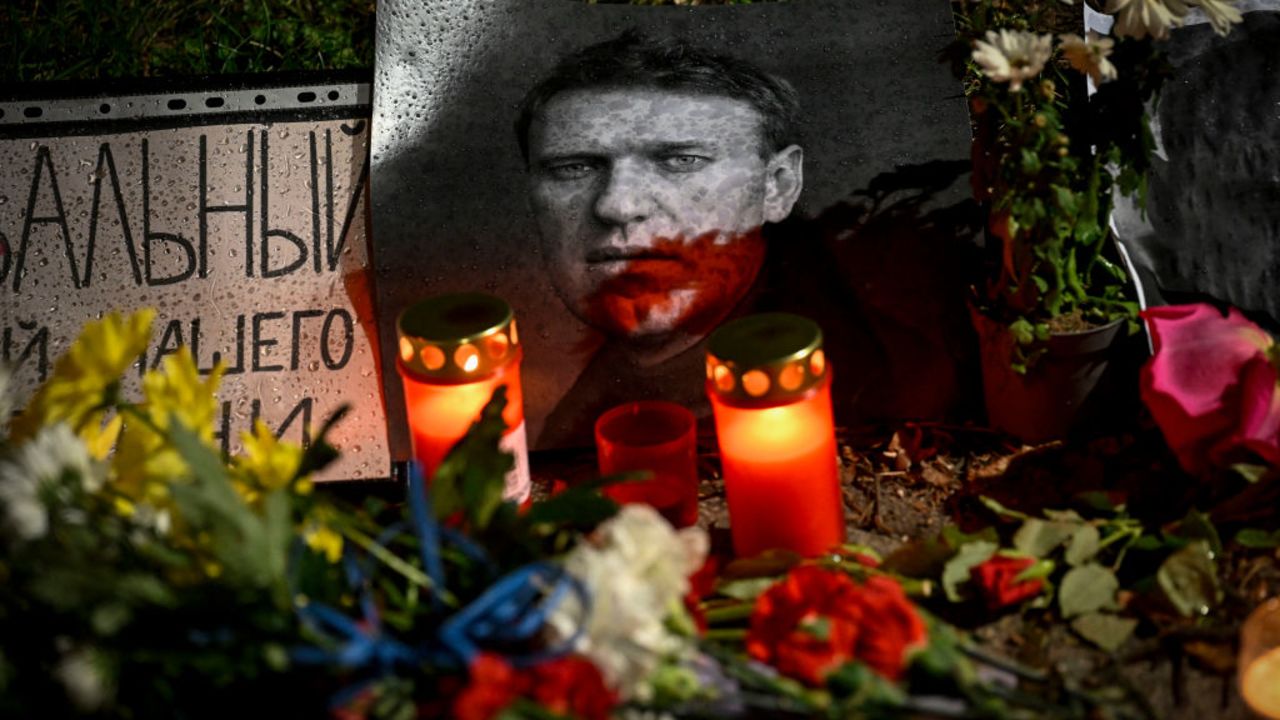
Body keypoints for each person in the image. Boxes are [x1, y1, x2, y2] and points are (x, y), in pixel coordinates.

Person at [515, 31, 807, 446]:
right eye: (575, 168)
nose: (616, 205)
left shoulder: (868, 380)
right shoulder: (574, 416)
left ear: (777, 186)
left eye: (681, 161)